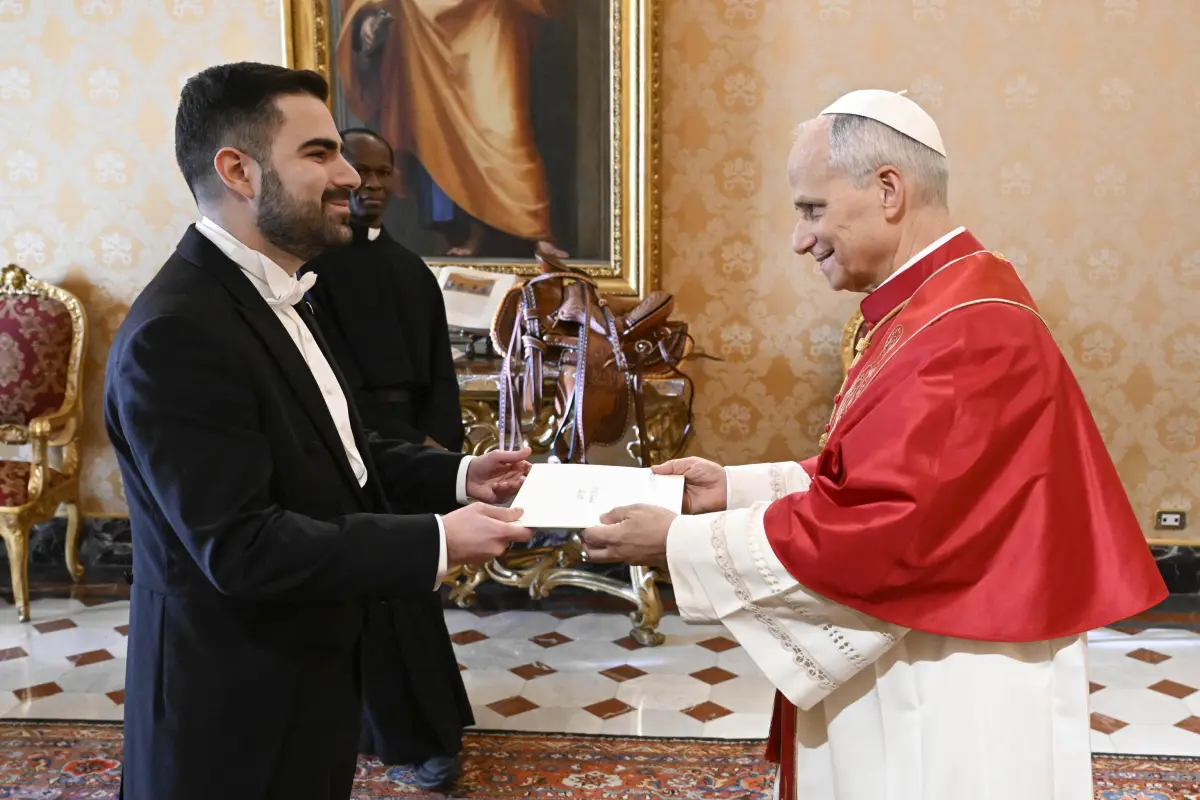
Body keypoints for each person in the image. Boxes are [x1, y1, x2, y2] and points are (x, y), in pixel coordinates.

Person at [579, 89, 1169, 800]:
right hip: (928, 646)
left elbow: (885, 528)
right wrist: (732, 489)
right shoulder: (935, 302)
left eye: (811, 209)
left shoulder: (966, 329)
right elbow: (874, 475)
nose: (801, 239)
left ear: (888, 190)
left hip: (950, 680)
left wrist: (679, 544)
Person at [104, 62, 534, 800]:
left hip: (308, 675)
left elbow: (338, 454)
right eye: (317, 154)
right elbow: (240, 549)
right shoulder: (177, 332)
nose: (348, 175)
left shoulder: (281, 294)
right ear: (238, 170)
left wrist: (461, 476)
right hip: (230, 713)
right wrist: (439, 539)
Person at [302, 127, 471, 791]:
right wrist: (399, 443)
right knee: (382, 607)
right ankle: (403, 737)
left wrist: (438, 446)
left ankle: (430, 730)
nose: (369, 184)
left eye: (382, 172)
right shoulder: (311, 272)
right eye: (358, 170)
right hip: (361, 446)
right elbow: (332, 381)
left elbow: (438, 372)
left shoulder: (411, 269)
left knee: (412, 603)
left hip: (410, 451)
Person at [335, 0, 569, 258]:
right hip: (422, 19)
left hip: (490, 14)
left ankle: (534, 229)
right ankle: (466, 232)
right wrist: (371, 12)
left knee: (503, 126)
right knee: (436, 128)